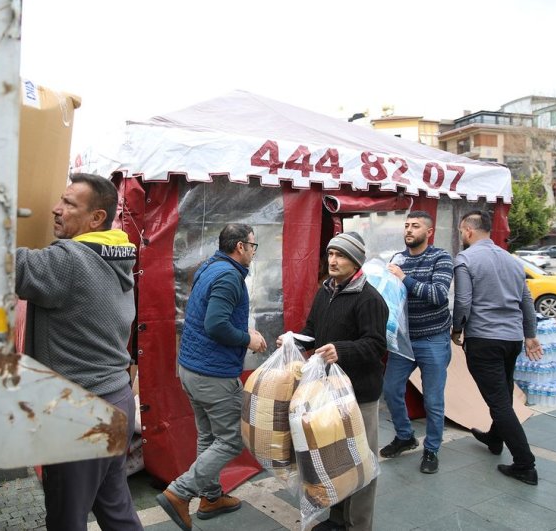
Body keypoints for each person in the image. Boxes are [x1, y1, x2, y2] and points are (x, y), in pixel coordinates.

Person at [15, 173, 143, 530]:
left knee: (65, 519)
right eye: (61, 199)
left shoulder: (69, 261)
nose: (56, 209)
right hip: (117, 400)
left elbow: (2, 264)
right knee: (115, 509)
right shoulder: (115, 255)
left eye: (70, 204)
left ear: (96, 219)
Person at [157, 224, 268, 531]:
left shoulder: (211, 265)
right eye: (253, 246)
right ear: (240, 247)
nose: (254, 252)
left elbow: (210, 317)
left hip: (191, 370)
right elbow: (216, 324)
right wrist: (248, 339)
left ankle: (211, 497)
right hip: (212, 376)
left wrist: (244, 332)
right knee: (231, 441)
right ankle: (180, 493)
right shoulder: (229, 276)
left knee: (209, 437)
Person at [283, 232, 388, 531]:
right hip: (329, 391)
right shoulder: (325, 291)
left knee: (363, 464)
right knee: (338, 459)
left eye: (340, 255)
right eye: (330, 254)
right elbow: (313, 330)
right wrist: (293, 339)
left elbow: (376, 345)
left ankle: (359, 524)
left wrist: (341, 350)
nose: (332, 260)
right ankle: (338, 520)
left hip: (360, 396)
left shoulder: (370, 299)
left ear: (355, 261)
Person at [451, 210, 543, 486]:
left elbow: (463, 301)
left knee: (499, 402)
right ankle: (494, 437)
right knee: (501, 392)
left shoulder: (465, 259)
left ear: (468, 230)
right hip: (511, 340)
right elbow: (526, 300)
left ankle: (525, 464)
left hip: (484, 340)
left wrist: (457, 329)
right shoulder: (513, 261)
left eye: (461, 232)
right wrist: (530, 334)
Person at [381, 211, 453, 474]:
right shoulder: (397, 259)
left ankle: (432, 449)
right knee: (390, 389)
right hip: (403, 340)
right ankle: (405, 435)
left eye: (415, 226)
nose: (409, 230)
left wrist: (404, 278)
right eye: (407, 226)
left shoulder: (441, 258)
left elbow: (438, 295)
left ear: (429, 232)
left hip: (433, 338)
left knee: (433, 400)